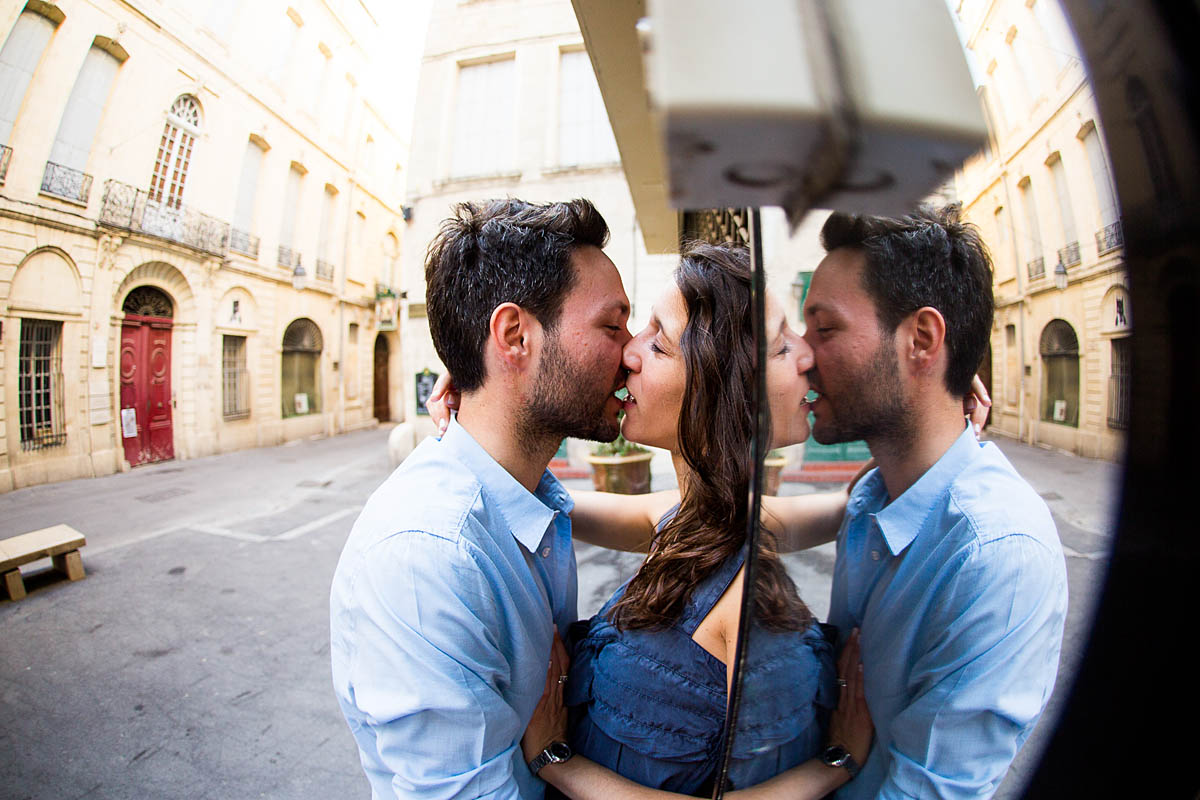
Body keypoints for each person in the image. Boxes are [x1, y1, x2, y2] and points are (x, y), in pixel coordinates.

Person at [329, 197, 634, 798]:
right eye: (611, 325)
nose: (630, 351)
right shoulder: (429, 556)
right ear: (515, 335)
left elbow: (676, 519)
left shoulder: (524, 497)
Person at [801, 207, 1068, 798]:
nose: (801, 355)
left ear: (920, 340)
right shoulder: (875, 496)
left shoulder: (996, 554)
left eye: (825, 329)